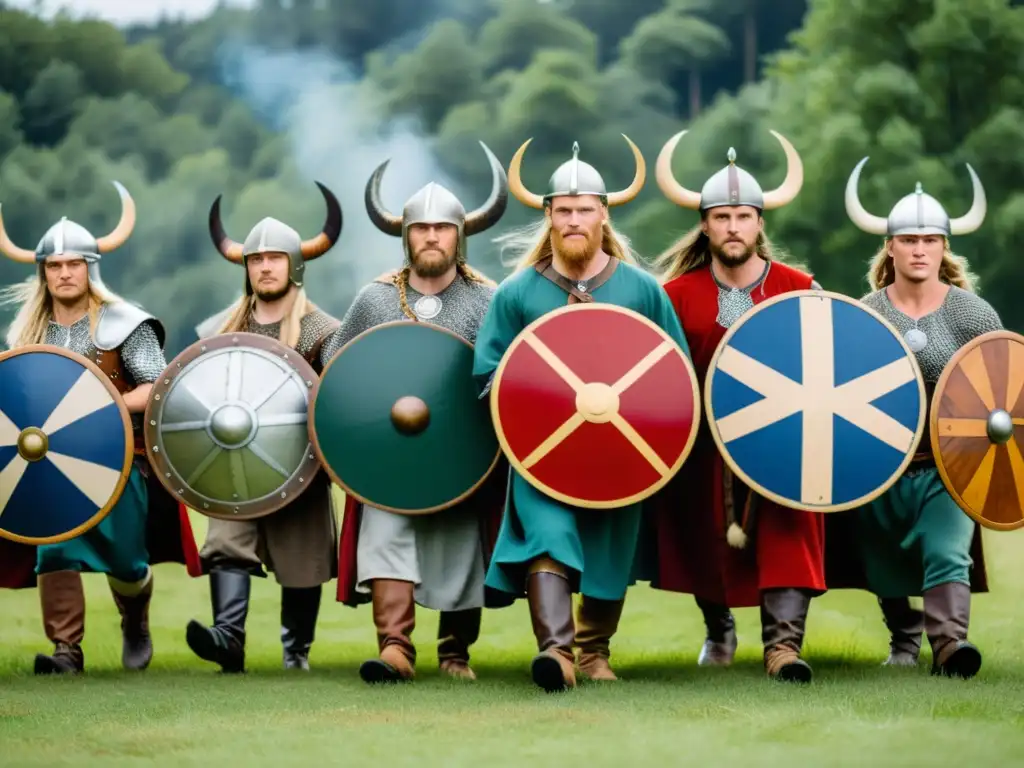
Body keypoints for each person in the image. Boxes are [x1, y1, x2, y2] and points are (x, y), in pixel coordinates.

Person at [472, 136, 692, 692]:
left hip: (620, 449)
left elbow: (674, 373)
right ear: (548, 216)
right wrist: (537, 392)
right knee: (547, 537)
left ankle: (594, 653)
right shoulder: (518, 293)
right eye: (563, 210)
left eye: (584, 210)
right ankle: (556, 653)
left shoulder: (641, 290)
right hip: (542, 453)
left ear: (603, 214)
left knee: (607, 545)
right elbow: (489, 370)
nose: (573, 220)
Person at [0, 181, 201, 675]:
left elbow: (156, 384)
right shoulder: (27, 334)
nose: (65, 273)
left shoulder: (123, 322)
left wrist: (100, 407)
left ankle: (135, 619)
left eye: (73, 265)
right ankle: (67, 649)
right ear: (43, 272)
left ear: (90, 268)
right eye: (55, 266)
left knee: (126, 559)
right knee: (56, 551)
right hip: (44, 463)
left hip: (117, 457)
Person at [329, 141, 510, 684]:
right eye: (420, 228)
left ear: (461, 234)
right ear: (405, 234)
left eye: (443, 228)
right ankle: (395, 649)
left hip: (463, 449)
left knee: (460, 549)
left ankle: (455, 651)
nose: (431, 236)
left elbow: (504, 375)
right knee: (386, 535)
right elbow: (341, 374)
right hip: (389, 450)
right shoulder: (374, 299)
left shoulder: (489, 300)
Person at [651, 130, 825, 683]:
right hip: (702, 443)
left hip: (783, 441)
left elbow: (827, 362)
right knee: (704, 536)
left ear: (759, 224)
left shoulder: (801, 288)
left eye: (743, 217)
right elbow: (658, 373)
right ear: (704, 225)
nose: (733, 227)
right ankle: (719, 628)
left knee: (790, 531)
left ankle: (783, 647)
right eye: (721, 217)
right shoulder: (674, 295)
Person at [838, 156, 995, 679]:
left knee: (948, 549)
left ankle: (951, 645)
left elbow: (999, 388)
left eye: (930, 240)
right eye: (909, 240)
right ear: (890, 246)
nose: (920, 249)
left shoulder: (972, 314)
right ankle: (903, 640)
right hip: (881, 465)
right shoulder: (867, 311)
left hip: (949, 466)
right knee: (881, 558)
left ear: (945, 247)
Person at [185, 182, 343, 672]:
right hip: (233, 463)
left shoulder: (324, 332)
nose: (265, 267)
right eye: (256, 259)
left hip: (301, 465)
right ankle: (228, 641)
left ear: (295, 264)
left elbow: (338, 400)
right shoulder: (219, 331)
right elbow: (190, 393)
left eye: (275, 258)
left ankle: (296, 653)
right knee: (227, 547)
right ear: (245, 268)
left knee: (303, 566)